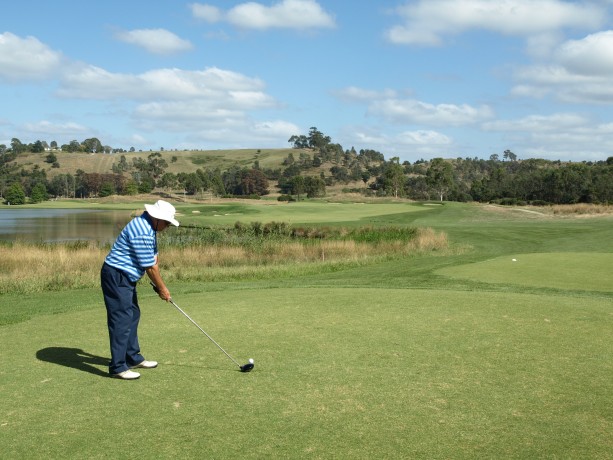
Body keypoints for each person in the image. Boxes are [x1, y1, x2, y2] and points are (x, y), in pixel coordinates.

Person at [100, 200, 179, 380]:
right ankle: (118, 367)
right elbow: (150, 267)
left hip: (125, 276)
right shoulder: (142, 230)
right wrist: (162, 289)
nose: (167, 226)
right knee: (121, 319)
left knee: (133, 314)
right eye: (166, 222)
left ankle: (132, 357)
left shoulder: (149, 225)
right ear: (157, 218)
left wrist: (160, 285)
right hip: (117, 275)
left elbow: (153, 257)